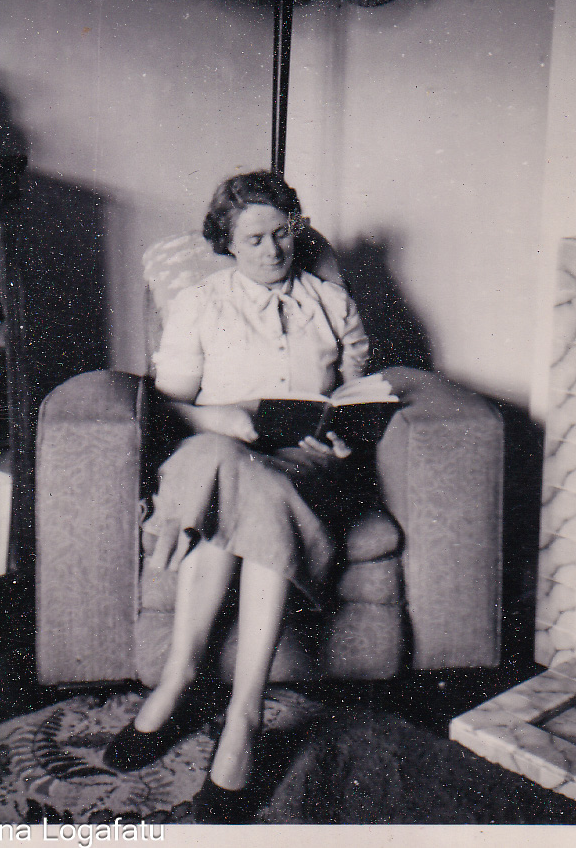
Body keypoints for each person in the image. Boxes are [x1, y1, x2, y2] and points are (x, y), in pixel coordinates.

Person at [103, 170, 377, 821]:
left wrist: (344, 434)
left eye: (284, 232)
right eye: (254, 238)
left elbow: (358, 396)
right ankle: (230, 706)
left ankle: (193, 690)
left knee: (245, 480)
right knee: (223, 458)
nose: (274, 249)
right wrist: (221, 417)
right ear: (226, 242)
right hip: (217, 451)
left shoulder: (332, 303)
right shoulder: (201, 303)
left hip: (303, 465)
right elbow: (165, 407)